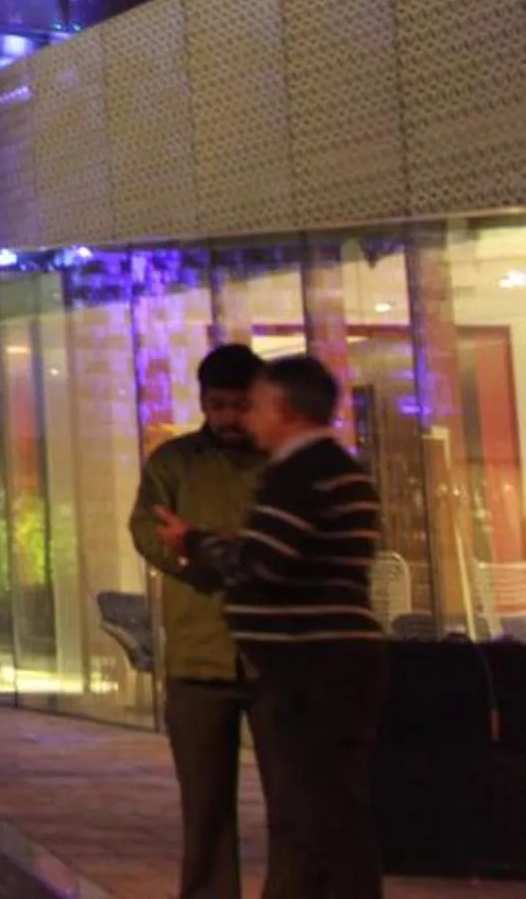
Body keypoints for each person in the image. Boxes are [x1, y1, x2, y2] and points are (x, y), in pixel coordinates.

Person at [154, 354, 388, 899]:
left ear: (283, 409)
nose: (248, 417)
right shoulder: (333, 469)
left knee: (320, 811)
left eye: (255, 405)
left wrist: (195, 543)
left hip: (312, 667)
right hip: (316, 663)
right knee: (322, 809)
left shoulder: (302, 474)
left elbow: (264, 563)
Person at [128, 342, 266, 899]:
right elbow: (146, 531)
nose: (230, 418)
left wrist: (212, 547)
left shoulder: (280, 462)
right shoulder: (174, 462)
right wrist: (191, 556)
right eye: (219, 405)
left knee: (294, 801)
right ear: (204, 403)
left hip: (271, 656)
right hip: (197, 653)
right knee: (205, 807)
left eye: (240, 405)